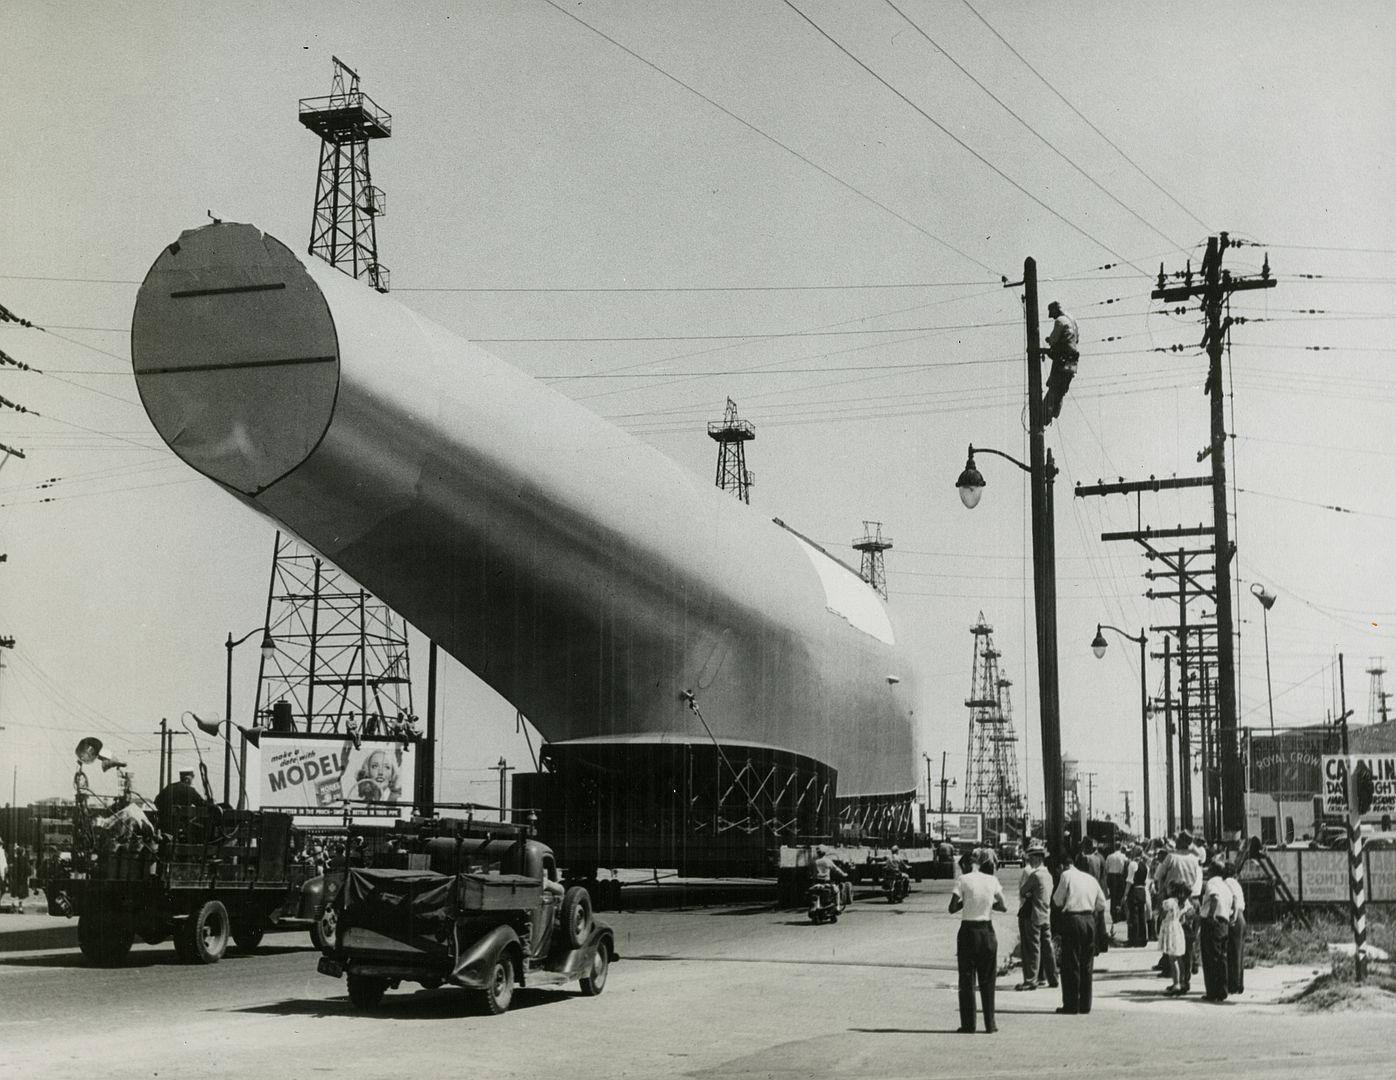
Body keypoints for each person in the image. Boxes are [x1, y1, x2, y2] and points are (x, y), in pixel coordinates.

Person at [950, 850, 1007, 1033]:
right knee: (988, 979)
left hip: (968, 932)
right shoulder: (991, 880)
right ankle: (990, 1024)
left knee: (967, 979)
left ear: (966, 865)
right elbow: (1003, 906)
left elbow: (952, 908)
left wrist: (965, 903)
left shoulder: (963, 880)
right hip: (987, 931)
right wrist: (988, 904)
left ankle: (969, 1024)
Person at [1051, 853, 1107, 1015]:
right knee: (1087, 963)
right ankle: (1085, 1004)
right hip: (1089, 919)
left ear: (1062, 866)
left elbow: (1057, 900)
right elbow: (1101, 903)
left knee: (1070, 963)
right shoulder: (1090, 879)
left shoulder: (1065, 876)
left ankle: (1071, 1004)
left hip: (1073, 919)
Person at [1014, 840, 1058, 991]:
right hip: (1045, 913)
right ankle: (1053, 977)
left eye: (1032, 858)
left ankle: (1031, 980)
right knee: (1047, 946)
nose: (1030, 861)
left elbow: (1022, 891)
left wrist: (1028, 893)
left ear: (1038, 858)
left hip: (1033, 915)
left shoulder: (1035, 875)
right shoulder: (1048, 875)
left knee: (1033, 948)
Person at [1199, 861, 1234, 1002]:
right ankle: (1222, 990)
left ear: (1213, 871)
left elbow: (1214, 898)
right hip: (1224, 921)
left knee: (1210, 958)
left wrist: (1211, 915)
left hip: (1213, 922)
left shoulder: (1212, 883)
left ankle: (1212, 992)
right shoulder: (1225, 885)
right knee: (1221, 958)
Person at [1042, 300, 1079, 424]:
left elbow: (1053, 340)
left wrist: (1049, 341)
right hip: (1072, 360)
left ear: (1055, 310)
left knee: (1054, 386)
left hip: (1062, 359)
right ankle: (1054, 413)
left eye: (1050, 312)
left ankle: (1045, 415)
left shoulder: (1060, 321)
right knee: (1061, 389)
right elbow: (1076, 339)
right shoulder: (1072, 320)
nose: (1050, 316)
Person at [1157, 882, 1190, 995]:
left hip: (1170, 929)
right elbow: (1184, 919)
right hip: (1177, 928)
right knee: (1179, 957)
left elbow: (1161, 914)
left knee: (1172, 958)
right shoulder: (1183, 903)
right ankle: (1182, 982)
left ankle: (1176, 984)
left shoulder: (1169, 902)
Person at [154, 769, 208, 833]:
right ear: (187, 779)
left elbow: (156, 802)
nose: (192, 781)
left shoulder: (169, 787)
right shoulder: (190, 790)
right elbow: (202, 804)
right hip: (183, 828)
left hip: (164, 826)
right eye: (192, 778)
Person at [1223, 863, 1247, 994]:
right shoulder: (1236, 882)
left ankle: (1234, 985)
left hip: (1235, 916)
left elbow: (1235, 899)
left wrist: (1234, 915)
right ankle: (1238, 983)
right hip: (1241, 917)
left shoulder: (1228, 882)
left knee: (1233, 952)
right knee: (1238, 952)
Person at [1126, 847, 1151, 947]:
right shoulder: (1145, 865)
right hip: (1142, 890)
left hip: (1134, 890)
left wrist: (1125, 894)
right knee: (1142, 915)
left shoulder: (1132, 864)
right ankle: (1142, 938)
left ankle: (1134, 939)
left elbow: (1129, 880)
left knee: (1134, 914)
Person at [1104, 841, 1129, 921]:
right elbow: (1125, 867)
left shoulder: (1109, 856)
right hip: (1119, 877)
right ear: (1120, 847)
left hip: (1111, 876)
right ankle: (1120, 914)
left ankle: (1113, 914)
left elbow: (1106, 868)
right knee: (1120, 895)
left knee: (1113, 896)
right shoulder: (1123, 856)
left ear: (1114, 847)